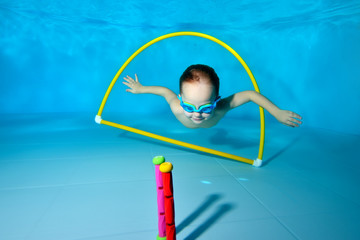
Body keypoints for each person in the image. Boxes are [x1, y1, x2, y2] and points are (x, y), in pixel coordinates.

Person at [122, 64, 302, 129]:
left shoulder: (222, 107)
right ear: (181, 99)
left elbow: (250, 94)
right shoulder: (177, 106)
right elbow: (164, 92)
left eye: (206, 108)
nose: (197, 114)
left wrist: (276, 112)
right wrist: (141, 88)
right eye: (189, 107)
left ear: (216, 101)